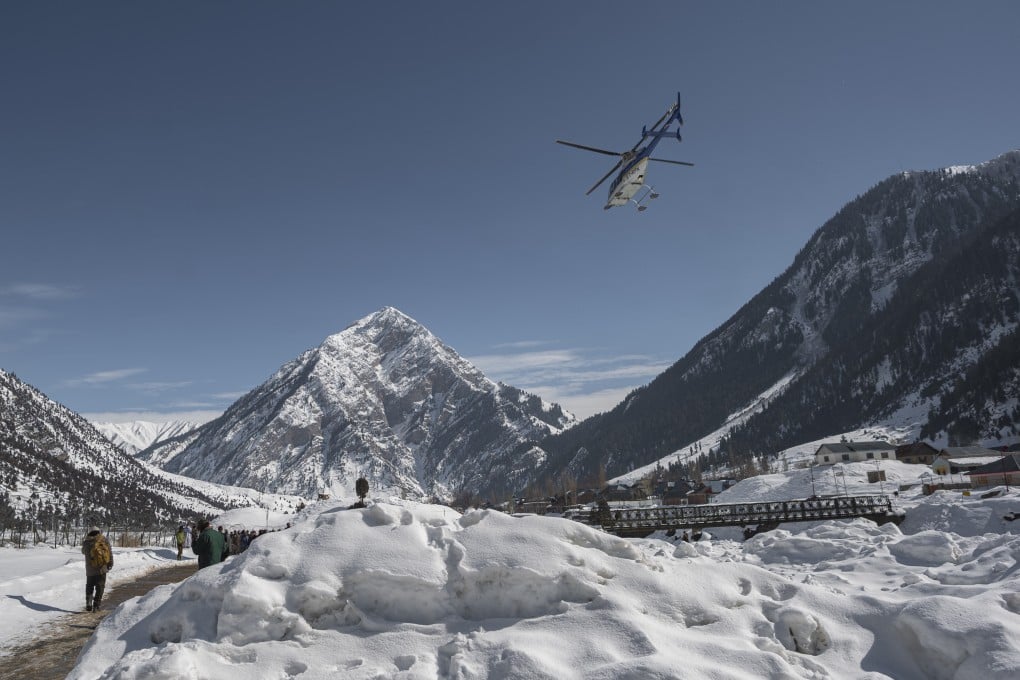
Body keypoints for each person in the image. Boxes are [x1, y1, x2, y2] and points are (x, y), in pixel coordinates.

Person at [81, 527, 114, 612]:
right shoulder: (103, 540)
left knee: (89, 586)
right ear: (98, 532)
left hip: (90, 569)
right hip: (101, 568)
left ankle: (89, 603)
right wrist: (110, 563)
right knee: (100, 587)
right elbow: (109, 552)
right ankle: (96, 605)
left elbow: (83, 552)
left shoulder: (86, 542)